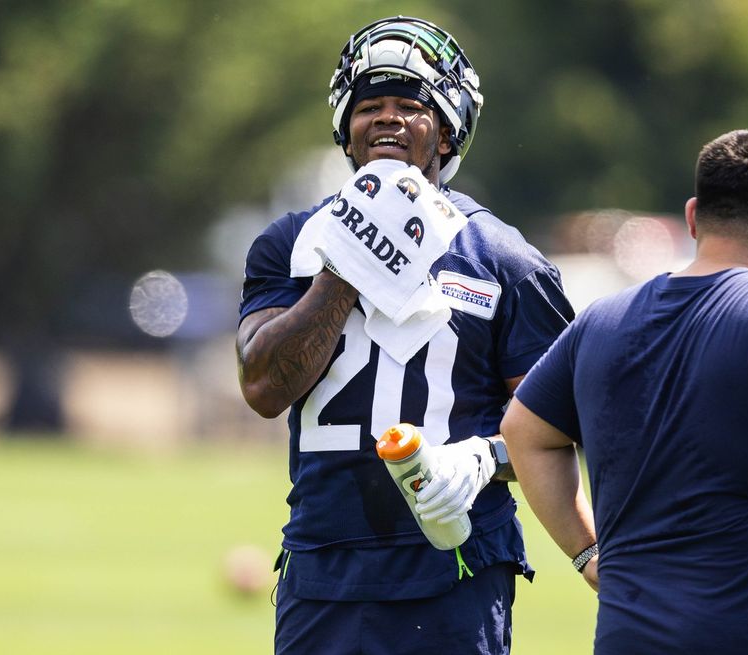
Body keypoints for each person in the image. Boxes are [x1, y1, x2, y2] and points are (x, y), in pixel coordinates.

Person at [235, 16, 574, 655]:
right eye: (371, 106)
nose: (387, 119)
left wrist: (480, 460)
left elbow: (563, 423)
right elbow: (262, 386)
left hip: (454, 568)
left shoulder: (504, 260)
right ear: (346, 127)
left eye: (410, 105)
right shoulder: (291, 245)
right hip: (324, 563)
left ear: (446, 131)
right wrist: (352, 260)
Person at [501, 129, 748, 654]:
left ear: (691, 217)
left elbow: (523, 430)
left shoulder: (601, 321)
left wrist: (585, 553)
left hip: (630, 636)